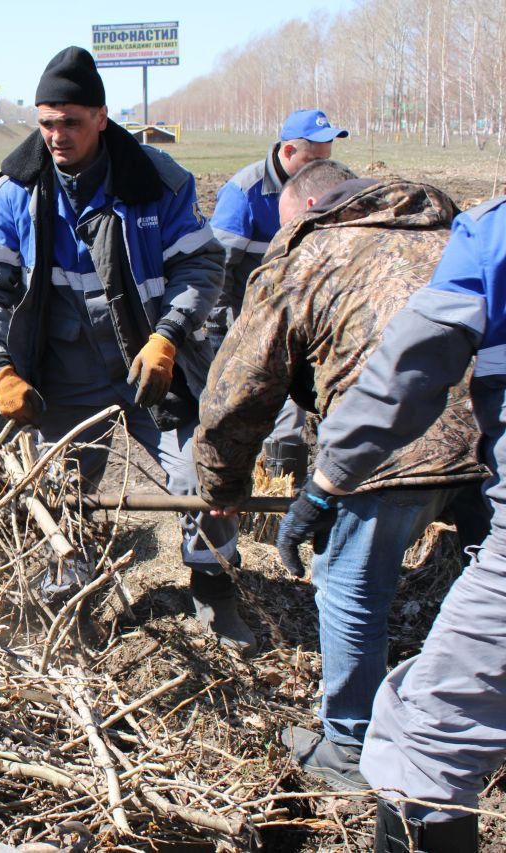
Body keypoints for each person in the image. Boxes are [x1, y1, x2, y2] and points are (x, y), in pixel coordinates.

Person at [193, 160, 486, 792]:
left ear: (303, 211)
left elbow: (238, 393)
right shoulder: (457, 231)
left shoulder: (311, 255)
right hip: (494, 443)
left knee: (350, 590)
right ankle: (481, 730)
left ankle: (350, 747)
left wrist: (221, 490)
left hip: (388, 447)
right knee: (492, 590)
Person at [0, 46, 251, 649]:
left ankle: (216, 592)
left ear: (102, 117)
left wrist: (169, 337)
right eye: (46, 122)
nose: (57, 135)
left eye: (70, 122)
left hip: (155, 368)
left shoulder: (156, 181)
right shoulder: (16, 191)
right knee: (62, 489)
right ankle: (72, 601)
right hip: (67, 374)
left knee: (204, 473)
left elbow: (201, 264)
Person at [282, 197, 506, 851]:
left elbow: (403, 374)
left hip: (402, 461)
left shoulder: (491, 236)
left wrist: (324, 481)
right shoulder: (453, 224)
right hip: (474, 461)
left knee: (422, 735)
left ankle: (345, 741)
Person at [208, 108, 349, 481]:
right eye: (313, 159)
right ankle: (233, 486)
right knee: (241, 409)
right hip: (247, 324)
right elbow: (215, 270)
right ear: (288, 152)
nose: (322, 168)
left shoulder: (327, 187)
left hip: (300, 325)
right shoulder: (244, 194)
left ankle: (283, 496)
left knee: (292, 414)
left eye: (327, 159)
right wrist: (224, 331)